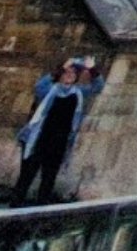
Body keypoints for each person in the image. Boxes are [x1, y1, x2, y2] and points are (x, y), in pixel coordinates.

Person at [12, 58, 104, 206]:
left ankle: (39, 213)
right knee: (25, 178)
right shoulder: (49, 89)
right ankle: (13, 211)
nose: (69, 75)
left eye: (73, 73)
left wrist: (91, 69)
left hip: (59, 143)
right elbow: (39, 86)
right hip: (37, 139)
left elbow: (98, 86)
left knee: (48, 180)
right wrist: (62, 67)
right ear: (61, 74)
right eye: (67, 72)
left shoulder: (79, 92)